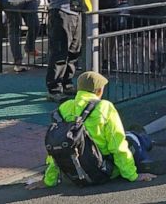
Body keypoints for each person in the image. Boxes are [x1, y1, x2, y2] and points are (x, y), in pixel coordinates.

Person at [26, 71, 158, 189]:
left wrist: (48, 181)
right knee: (132, 138)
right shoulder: (105, 107)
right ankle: (146, 147)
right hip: (104, 171)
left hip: (76, 174)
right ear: (99, 90)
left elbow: (56, 149)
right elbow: (117, 145)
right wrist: (132, 176)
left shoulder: (64, 108)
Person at [44, 0, 84, 101]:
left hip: (76, 11)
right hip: (60, 11)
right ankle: (54, 88)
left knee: (74, 50)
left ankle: (67, 83)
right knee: (59, 51)